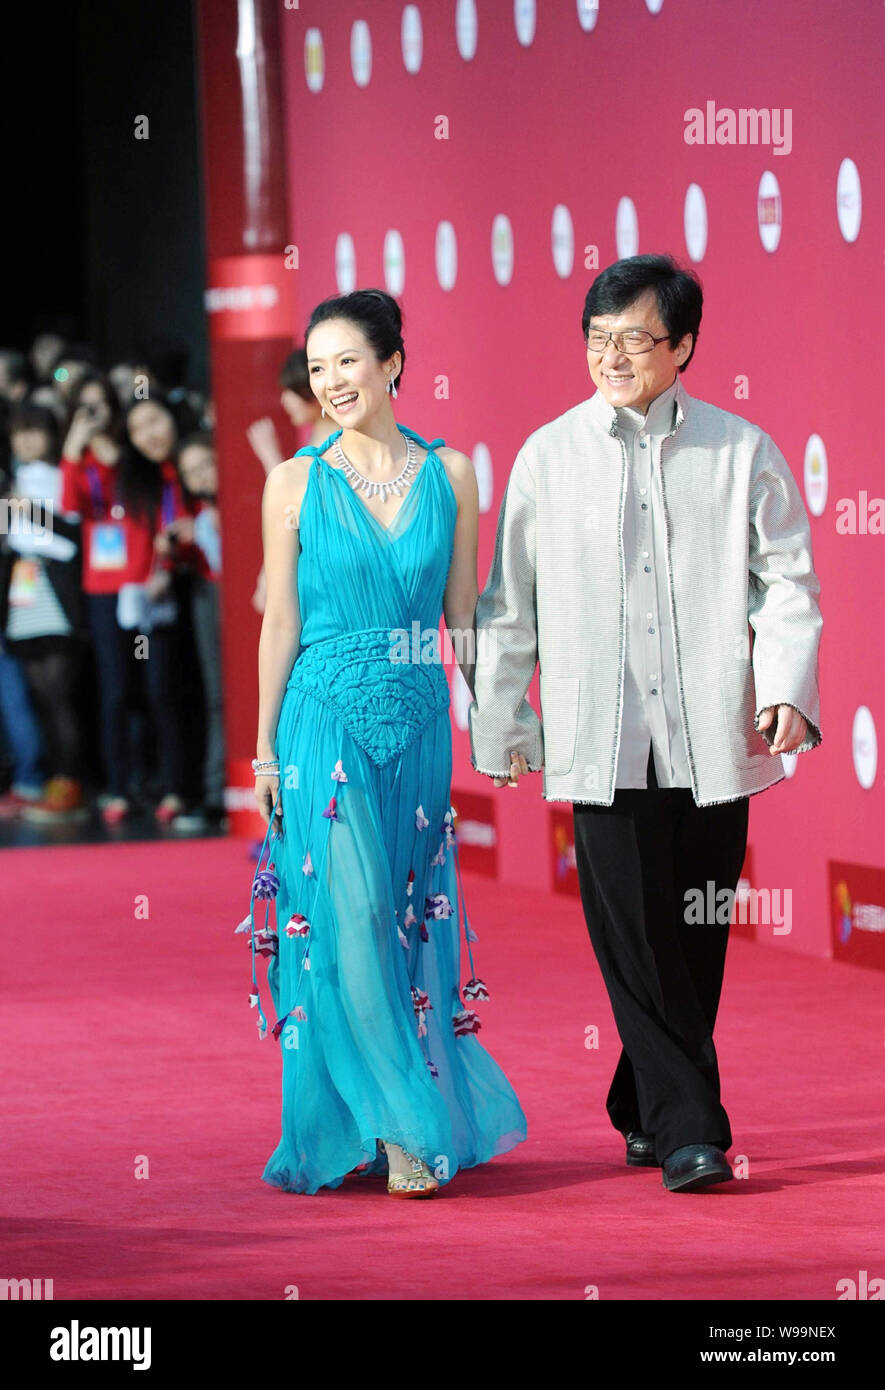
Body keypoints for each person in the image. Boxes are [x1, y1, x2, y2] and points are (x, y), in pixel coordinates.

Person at [469, 254, 823, 1194]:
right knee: (634, 940)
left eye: (633, 338)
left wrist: (785, 686)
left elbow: (786, 581)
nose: (611, 355)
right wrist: (501, 715)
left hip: (713, 739)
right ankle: (690, 1130)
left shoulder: (739, 450)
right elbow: (512, 602)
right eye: (597, 338)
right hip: (601, 740)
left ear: (683, 348)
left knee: (692, 935)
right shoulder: (548, 454)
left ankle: (640, 1100)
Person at [249, 289, 526, 1197]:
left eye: (347, 362)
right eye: (317, 366)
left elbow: (465, 618)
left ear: (392, 364)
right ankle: (405, 1129)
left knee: (404, 921)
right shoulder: (291, 481)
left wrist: (495, 720)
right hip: (318, 718)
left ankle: (378, 1107)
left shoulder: (451, 476)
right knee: (350, 916)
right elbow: (278, 624)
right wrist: (260, 753)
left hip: (415, 723)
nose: (330, 381)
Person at [0, 403, 87, 821]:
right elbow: (9, 535)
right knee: (38, 697)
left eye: (34, 430)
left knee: (61, 696)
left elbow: (75, 535)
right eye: (20, 433)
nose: (27, 440)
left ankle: (73, 781)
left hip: (56, 592)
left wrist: (28, 509)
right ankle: (53, 780)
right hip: (23, 590)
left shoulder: (62, 476)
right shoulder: (12, 481)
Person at [246, 347, 326, 615]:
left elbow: (297, 510)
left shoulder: (331, 447)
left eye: (289, 391)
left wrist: (272, 461)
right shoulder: (314, 441)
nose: (284, 401)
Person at [175, 430, 225, 827]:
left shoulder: (257, 499)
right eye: (192, 472)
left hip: (257, 608)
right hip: (209, 601)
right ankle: (215, 793)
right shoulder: (195, 518)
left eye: (206, 463)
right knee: (216, 697)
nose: (202, 476)